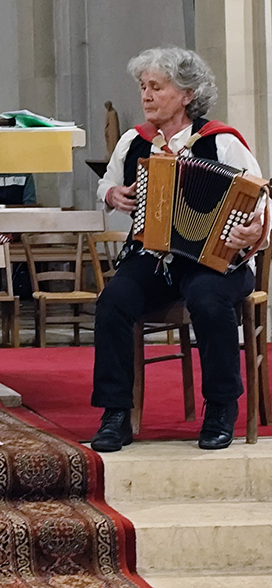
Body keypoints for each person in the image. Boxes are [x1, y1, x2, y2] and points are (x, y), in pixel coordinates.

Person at [91, 47, 268, 452]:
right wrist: (112, 194)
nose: (146, 95)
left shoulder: (221, 142)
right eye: (143, 86)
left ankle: (220, 407)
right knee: (113, 301)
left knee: (207, 298)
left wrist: (253, 231)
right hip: (154, 259)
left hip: (217, 261)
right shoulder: (134, 141)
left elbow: (261, 201)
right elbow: (107, 184)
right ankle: (115, 414)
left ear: (187, 94)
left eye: (157, 87)